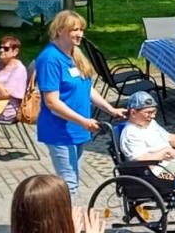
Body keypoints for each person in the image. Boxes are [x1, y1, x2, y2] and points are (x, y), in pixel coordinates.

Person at [33, 11, 122, 199]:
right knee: (69, 184)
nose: (80, 34)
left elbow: (87, 89)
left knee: (72, 180)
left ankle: (65, 223)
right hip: (60, 131)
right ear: (59, 30)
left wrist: (110, 109)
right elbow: (51, 102)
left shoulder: (75, 54)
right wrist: (83, 121)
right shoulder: (50, 58)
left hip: (79, 129)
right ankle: (66, 226)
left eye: (81, 29)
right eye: (74, 30)